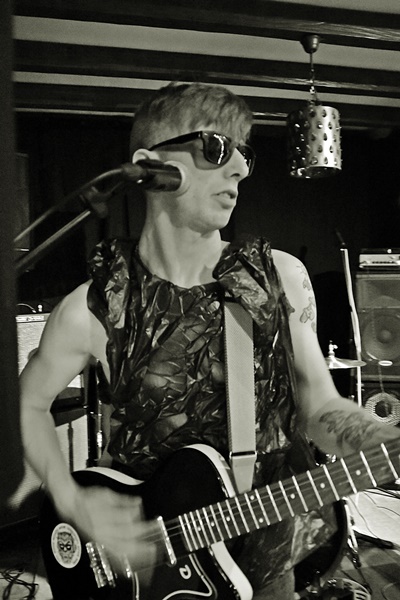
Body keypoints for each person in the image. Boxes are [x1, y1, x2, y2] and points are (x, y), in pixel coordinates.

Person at [19, 82, 400, 600]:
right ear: (149, 166)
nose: (240, 168)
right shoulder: (95, 305)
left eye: (244, 153)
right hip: (142, 567)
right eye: (217, 148)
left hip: (262, 561)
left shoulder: (277, 277)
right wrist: (70, 496)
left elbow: (320, 405)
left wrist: (383, 445)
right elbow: (28, 402)